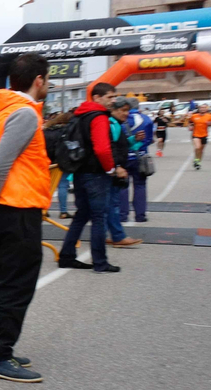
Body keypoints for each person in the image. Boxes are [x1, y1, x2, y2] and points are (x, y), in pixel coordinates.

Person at [0, 54, 52, 383]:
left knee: (2, 280)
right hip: (18, 208)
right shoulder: (23, 114)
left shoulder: (3, 112)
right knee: (15, 285)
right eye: (47, 80)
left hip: (11, 206)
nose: (48, 85)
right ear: (38, 80)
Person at [58, 81, 126, 274]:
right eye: (110, 97)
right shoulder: (99, 117)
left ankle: (67, 255)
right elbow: (102, 149)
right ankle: (100, 261)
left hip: (79, 171)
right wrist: (111, 169)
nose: (114, 101)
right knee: (99, 217)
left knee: (82, 215)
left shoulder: (80, 114)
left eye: (114, 97)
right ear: (97, 97)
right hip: (96, 174)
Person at [104, 99, 143, 249]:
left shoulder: (115, 124)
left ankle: (107, 234)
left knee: (108, 205)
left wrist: (134, 140)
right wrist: (117, 166)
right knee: (112, 204)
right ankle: (118, 237)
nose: (126, 113)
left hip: (111, 169)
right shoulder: (112, 124)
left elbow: (121, 145)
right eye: (123, 110)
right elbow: (110, 148)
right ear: (113, 110)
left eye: (127, 110)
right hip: (112, 170)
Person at [122, 103, 154, 225]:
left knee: (122, 186)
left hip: (124, 157)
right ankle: (140, 215)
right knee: (140, 185)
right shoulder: (146, 119)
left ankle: (122, 214)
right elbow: (150, 138)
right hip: (140, 156)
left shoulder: (121, 119)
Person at [189, 105, 211, 169]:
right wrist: (190, 126)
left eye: (204, 108)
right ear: (199, 109)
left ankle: (198, 161)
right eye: (201, 108)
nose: (202, 109)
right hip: (195, 134)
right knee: (197, 147)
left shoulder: (209, 116)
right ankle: (196, 159)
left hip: (204, 135)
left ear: (206, 109)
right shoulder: (194, 116)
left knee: (201, 150)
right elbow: (190, 122)